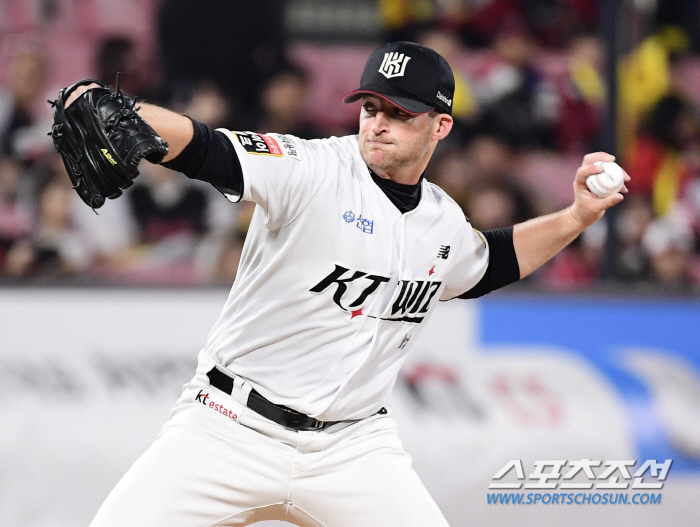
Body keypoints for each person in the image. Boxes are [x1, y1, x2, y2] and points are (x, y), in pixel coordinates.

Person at [67, 41, 627, 526]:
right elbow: (206, 148)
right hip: (228, 428)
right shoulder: (310, 168)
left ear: (440, 126)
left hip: (351, 449)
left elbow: (489, 263)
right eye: (370, 106)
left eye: (400, 112)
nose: (378, 122)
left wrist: (576, 217)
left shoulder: (441, 220)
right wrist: (111, 107)